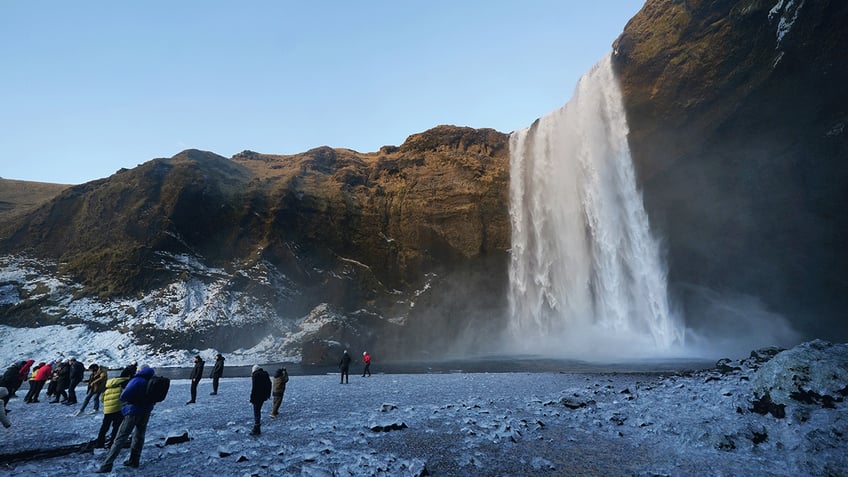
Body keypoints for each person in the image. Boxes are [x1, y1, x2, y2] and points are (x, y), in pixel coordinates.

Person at [96, 365, 157, 473]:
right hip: (146, 411)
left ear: (139, 371)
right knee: (139, 436)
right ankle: (134, 460)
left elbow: (124, 396)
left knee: (120, 438)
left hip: (133, 412)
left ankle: (107, 465)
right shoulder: (152, 379)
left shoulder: (137, 380)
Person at [94, 367, 132, 449]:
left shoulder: (109, 386)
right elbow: (126, 397)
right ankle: (113, 443)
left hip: (107, 410)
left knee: (104, 427)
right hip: (118, 409)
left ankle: (99, 443)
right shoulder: (123, 385)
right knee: (117, 426)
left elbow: (102, 399)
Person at [249, 364, 271, 435]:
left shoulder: (255, 375)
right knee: (258, 410)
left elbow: (254, 388)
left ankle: (257, 428)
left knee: (256, 411)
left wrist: (252, 398)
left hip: (257, 396)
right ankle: (257, 427)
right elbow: (269, 384)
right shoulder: (265, 374)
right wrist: (268, 394)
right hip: (263, 396)